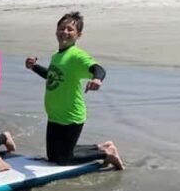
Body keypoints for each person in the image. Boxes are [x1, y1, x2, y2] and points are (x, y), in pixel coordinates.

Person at [25, 11, 123, 169]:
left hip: (71, 116)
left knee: (63, 159)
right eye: (62, 28)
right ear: (56, 31)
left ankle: (107, 154)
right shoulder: (57, 55)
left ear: (79, 35)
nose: (65, 32)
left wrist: (97, 79)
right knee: (53, 156)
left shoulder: (77, 56)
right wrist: (34, 67)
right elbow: (52, 77)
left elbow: (98, 68)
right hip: (55, 115)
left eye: (70, 29)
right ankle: (101, 147)